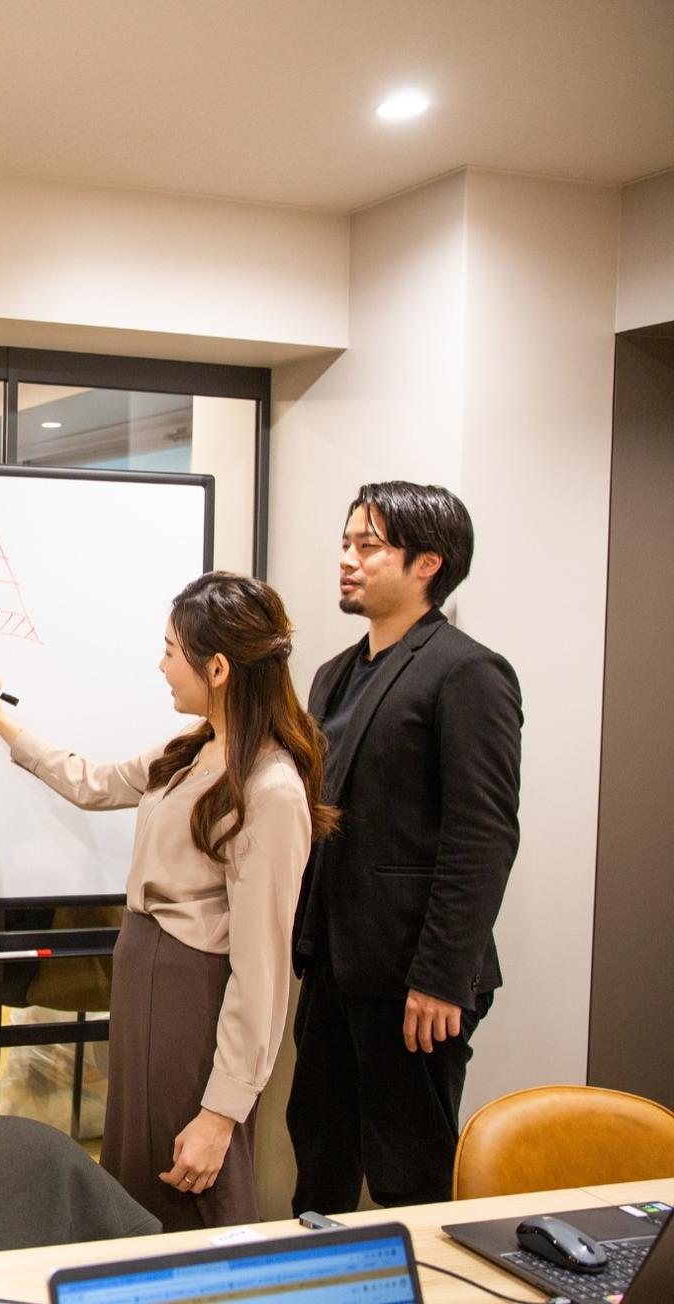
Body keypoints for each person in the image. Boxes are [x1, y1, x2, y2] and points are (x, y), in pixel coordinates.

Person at [0, 572, 334, 1231]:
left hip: (189, 999)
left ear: (218, 668)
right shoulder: (193, 747)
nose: (161, 667)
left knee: (189, 1174)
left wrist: (221, 1113)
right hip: (147, 986)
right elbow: (92, 782)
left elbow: (262, 971)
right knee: (140, 1174)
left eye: (170, 651)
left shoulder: (270, 788)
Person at [288, 482, 522, 1212]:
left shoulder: (468, 671)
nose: (346, 560)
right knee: (319, 1157)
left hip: (414, 977)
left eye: (368, 546)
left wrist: (443, 977)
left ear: (428, 563)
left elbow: (483, 834)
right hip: (333, 962)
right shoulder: (333, 674)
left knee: (409, 1175)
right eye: (345, 543)